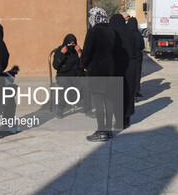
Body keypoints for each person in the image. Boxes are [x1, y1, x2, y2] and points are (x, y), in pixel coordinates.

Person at [81, 7, 118, 142]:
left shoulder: (93, 32)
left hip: (97, 71)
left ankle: (101, 131)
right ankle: (108, 130)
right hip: (110, 71)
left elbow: (87, 53)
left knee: (98, 101)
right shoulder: (112, 31)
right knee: (108, 100)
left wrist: (83, 65)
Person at [52, 34, 92, 119]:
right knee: (63, 86)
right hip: (63, 75)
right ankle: (60, 109)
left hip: (77, 74)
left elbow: (85, 65)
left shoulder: (77, 51)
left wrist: (79, 53)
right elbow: (55, 65)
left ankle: (88, 110)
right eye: (69, 44)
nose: (71, 46)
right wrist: (62, 54)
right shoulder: (60, 50)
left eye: (73, 44)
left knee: (86, 83)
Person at [110, 13, 137, 129]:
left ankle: (119, 120)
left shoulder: (112, 34)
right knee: (128, 92)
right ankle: (127, 118)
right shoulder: (129, 33)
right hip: (131, 67)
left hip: (117, 67)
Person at [127, 17, 145, 99]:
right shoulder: (138, 34)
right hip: (138, 57)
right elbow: (142, 46)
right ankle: (136, 91)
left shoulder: (126, 34)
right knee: (137, 74)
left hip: (129, 58)